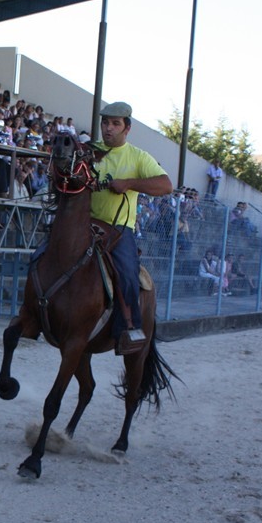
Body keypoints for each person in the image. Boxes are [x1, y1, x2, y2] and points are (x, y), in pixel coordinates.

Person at [90, 101, 173, 354]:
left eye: (115, 124)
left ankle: (129, 328)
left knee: (127, 272)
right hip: (84, 223)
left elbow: (166, 185)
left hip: (118, 230)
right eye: (105, 123)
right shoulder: (89, 151)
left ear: (128, 128)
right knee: (44, 253)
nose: (108, 128)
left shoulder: (138, 157)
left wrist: (129, 183)